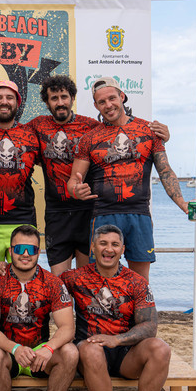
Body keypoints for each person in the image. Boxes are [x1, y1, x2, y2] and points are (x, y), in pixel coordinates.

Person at [25, 75, 170, 275]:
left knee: (87, 279)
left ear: (72, 98)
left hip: (89, 211)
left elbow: (121, 129)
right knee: (59, 281)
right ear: (47, 102)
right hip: (56, 213)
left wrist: (163, 136)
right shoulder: (37, 125)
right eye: (54, 98)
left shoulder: (90, 126)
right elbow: (13, 135)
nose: (60, 103)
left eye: (64, 97)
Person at [67, 76, 196, 280]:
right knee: (101, 283)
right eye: (102, 102)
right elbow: (73, 182)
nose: (108, 105)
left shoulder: (149, 131)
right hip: (103, 214)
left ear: (122, 97)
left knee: (140, 282)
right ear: (96, 105)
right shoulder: (89, 139)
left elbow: (165, 171)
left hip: (139, 214)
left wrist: (182, 203)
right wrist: (76, 190)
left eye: (112, 98)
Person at [61, 224, 170, 391]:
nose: (108, 249)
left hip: (125, 354)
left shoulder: (136, 282)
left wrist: (117, 339)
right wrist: (2, 268)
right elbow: (40, 283)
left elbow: (150, 326)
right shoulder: (75, 277)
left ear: (123, 249)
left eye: (114, 244)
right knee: (91, 349)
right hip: (89, 351)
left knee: (161, 348)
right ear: (93, 247)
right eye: (103, 243)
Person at [0, 225, 77, 391]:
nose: (25, 254)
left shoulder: (52, 282)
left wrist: (49, 348)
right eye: (19, 249)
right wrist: (15, 348)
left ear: (38, 252)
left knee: (70, 352)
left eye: (31, 249)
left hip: (39, 353)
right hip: (8, 351)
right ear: (10, 250)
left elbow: (68, 327)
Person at [0, 80, 40, 280]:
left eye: (10, 97)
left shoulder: (31, 133)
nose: (4, 102)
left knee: (23, 282)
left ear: (17, 103)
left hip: (23, 220)